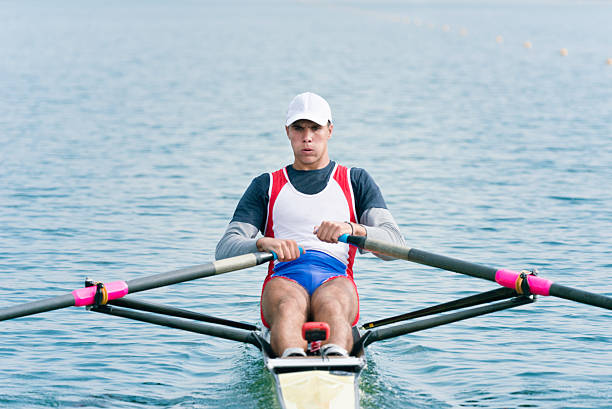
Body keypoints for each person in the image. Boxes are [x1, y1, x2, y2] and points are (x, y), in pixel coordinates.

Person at [216, 92, 405, 358]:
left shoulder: (355, 181)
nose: (307, 137)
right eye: (299, 128)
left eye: (315, 128)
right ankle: (294, 364)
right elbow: (225, 249)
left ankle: (336, 362)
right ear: (287, 132)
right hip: (285, 276)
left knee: (332, 304)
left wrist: (354, 229)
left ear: (330, 130)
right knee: (288, 306)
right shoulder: (266, 185)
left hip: (336, 276)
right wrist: (262, 242)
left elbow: (395, 245)